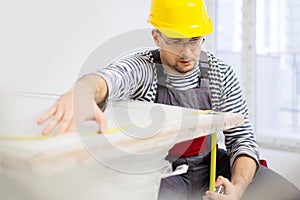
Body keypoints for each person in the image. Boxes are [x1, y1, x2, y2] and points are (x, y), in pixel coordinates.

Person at [37, 0, 300, 199]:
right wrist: (81, 91)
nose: (186, 53)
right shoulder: (143, 69)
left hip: (210, 166)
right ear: (156, 36)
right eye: (175, 41)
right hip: (163, 173)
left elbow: (242, 140)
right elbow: (108, 79)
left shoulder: (221, 74)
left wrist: (238, 189)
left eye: (194, 40)